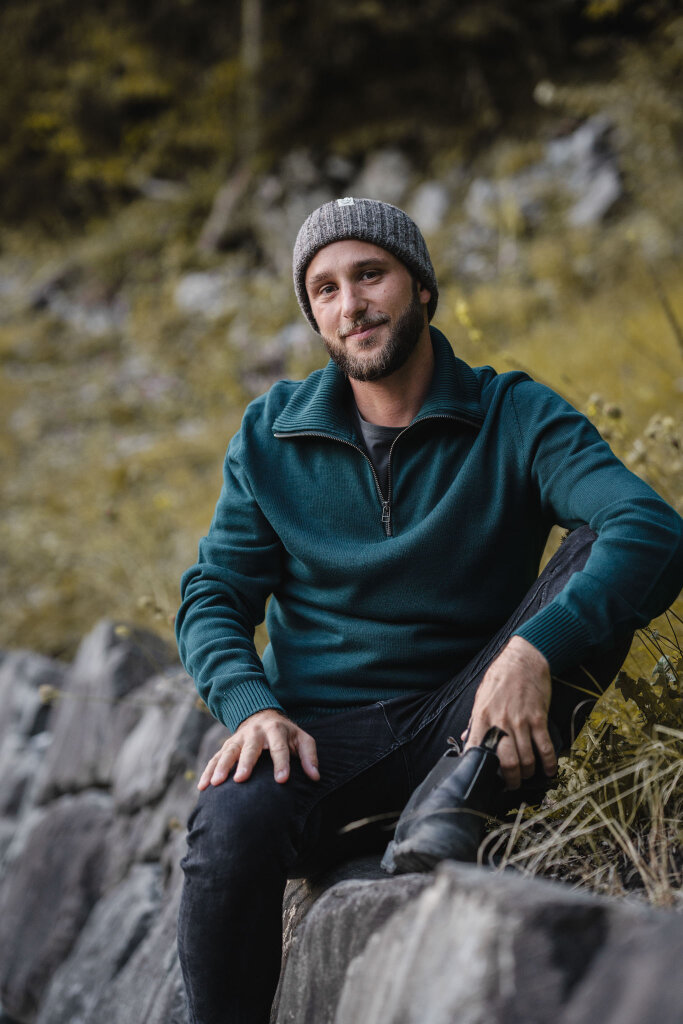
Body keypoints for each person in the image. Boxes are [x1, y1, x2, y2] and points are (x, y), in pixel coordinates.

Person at [175, 197, 683, 1024]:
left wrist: (533, 649)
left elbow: (650, 528)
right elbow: (212, 594)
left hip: (474, 725)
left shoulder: (512, 413)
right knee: (227, 822)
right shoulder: (269, 435)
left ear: (419, 287)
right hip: (321, 745)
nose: (351, 304)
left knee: (604, 542)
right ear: (314, 315)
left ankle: (453, 806)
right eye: (326, 289)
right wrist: (251, 707)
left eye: (369, 275)